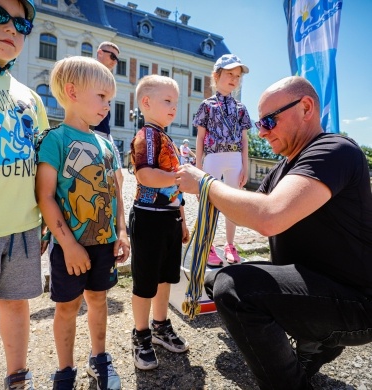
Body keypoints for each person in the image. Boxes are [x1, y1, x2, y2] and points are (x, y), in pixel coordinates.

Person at [176, 76, 372, 390]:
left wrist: (204, 182)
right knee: (215, 278)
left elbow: (269, 217)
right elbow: (243, 207)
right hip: (318, 289)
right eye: (258, 123)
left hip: (357, 303)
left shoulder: (334, 150)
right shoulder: (283, 169)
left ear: (306, 107)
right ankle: (314, 342)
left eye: (269, 120)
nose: (262, 131)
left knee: (234, 288)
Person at [35, 56, 130, 390]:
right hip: (68, 249)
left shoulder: (107, 144)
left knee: (99, 301)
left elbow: (116, 191)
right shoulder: (54, 140)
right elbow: (45, 196)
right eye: (101, 96)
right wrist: (70, 244)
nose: (108, 105)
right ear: (72, 92)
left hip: (104, 244)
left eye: (110, 98)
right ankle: (64, 370)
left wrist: (121, 230)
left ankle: (99, 358)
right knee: (66, 308)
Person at [0, 0, 49, 388]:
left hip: (24, 232)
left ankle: (17, 377)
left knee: (16, 306)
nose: (11, 27)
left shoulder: (30, 96)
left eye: (22, 24)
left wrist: (44, 219)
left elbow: (40, 165)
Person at [129, 75, 190, 371]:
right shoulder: (147, 136)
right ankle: (140, 335)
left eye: (175, 103)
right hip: (148, 218)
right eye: (167, 101)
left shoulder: (167, 138)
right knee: (145, 282)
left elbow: (174, 190)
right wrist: (180, 178)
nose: (173, 107)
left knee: (166, 278)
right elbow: (145, 175)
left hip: (168, 218)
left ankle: (160, 326)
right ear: (146, 103)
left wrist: (182, 219)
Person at [193, 53, 251, 266]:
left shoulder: (241, 108)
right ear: (216, 75)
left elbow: (245, 140)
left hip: (235, 157)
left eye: (237, 75)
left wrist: (246, 165)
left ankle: (229, 244)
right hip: (213, 157)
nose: (234, 79)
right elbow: (199, 138)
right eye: (230, 74)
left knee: (233, 204)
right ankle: (207, 245)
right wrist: (198, 169)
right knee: (208, 203)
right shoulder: (207, 105)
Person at [94, 41, 124, 192]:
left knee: (118, 176)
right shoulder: (91, 73)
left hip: (105, 131)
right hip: (94, 130)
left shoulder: (106, 77)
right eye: (112, 56)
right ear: (100, 53)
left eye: (117, 59)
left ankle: (115, 210)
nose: (114, 61)